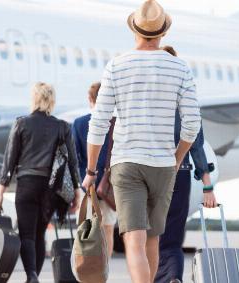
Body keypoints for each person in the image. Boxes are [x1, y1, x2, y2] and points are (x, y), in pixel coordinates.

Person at [83, 1, 201, 282]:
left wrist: (90, 171)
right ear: (162, 33)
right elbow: (193, 124)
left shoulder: (117, 66)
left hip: (127, 163)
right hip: (162, 165)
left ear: (135, 30)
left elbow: (98, 123)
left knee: (133, 241)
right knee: (151, 241)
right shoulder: (179, 68)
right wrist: (177, 157)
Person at [0, 82, 81, 283]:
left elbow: (9, 161)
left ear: (34, 99)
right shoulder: (62, 127)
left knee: (27, 234)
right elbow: (72, 161)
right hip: (50, 189)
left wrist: (0, 193)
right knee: (40, 232)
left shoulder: (21, 123)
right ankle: (33, 277)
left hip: (26, 184)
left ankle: (31, 276)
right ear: (52, 100)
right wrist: (77, 190)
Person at [154, 45, 216, 283]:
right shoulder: (187, 99)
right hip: (180, 174)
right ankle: (171, 277)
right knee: (171, 239)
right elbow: (197, 145)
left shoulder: (147, 98)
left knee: (149, 236)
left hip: (150, 173)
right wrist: (208, 186)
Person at [71, 82, 117, 258]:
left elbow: (74, 158)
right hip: (109, 188)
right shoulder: (116, 124)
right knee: (107, 231)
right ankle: (103, 270)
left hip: (87, 185)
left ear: (90, 99)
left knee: (85, 232)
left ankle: (87, 270)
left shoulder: (80, 123)